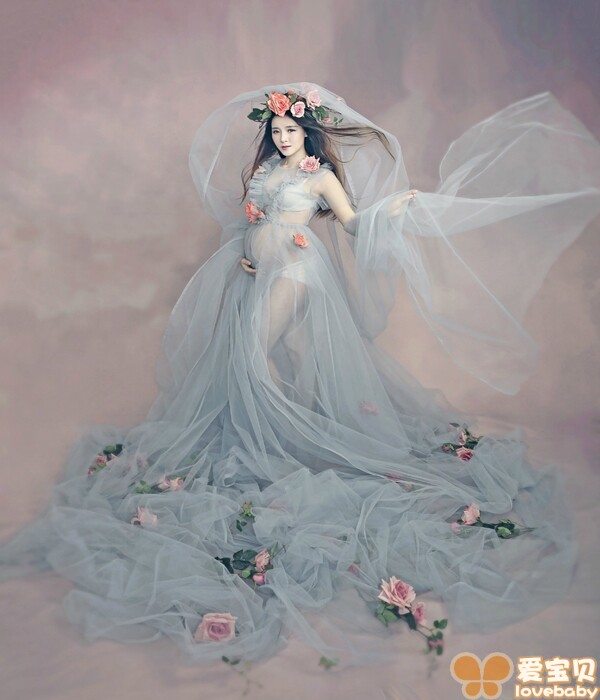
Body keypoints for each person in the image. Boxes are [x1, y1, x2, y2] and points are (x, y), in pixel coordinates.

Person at [1, 82, 599, 667]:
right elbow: (255, 220)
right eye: (278, 130)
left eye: (292, 129)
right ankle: (286, 438)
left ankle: (282, 443)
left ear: (308, 131)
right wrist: (249, 250)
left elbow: (352, 224)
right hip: (258, 272)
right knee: (263, 360)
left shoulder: (320, 176)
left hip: (296, 272)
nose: (285, 137)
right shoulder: (266, 171)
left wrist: (392, 210)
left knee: (253, 356)